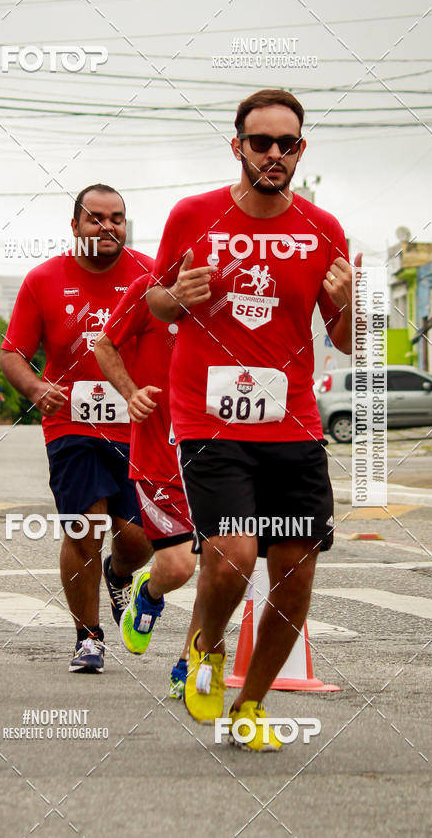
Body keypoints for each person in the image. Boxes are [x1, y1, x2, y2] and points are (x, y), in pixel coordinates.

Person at [148, 89, 361, 750]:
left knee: (295, 578)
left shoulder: (323, 229)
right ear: (237, 146)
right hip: (211, 416)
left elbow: (349, 340)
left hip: (292, 422)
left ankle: (250, 704)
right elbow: (155, 302)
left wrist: (350, 301)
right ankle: (205, 651)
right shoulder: (193, 215)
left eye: (286, 144)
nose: (273, 154)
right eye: (261, 142)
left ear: (300, 151)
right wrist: (175, 297)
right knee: (234, 555)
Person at [0, 184, 154, 674]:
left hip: (140, 423)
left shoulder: (151, 272)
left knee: (139, 537)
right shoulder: (43, 279)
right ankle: (88, 637)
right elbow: (12, 354)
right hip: (73, 422)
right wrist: (36, 388)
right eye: (96, 218)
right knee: (84, 525)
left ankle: (119, 571)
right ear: (75, 226)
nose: (107, 226)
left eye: (117, 218)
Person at [95, 273, 199, 699]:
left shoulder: (242, 287)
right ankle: (148, 592)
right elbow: (104, 344)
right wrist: (131, 392)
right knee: (178, 567)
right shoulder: (152, 286)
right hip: (159, 454)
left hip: (225, 453)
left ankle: (191, 664)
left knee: (224, 567)